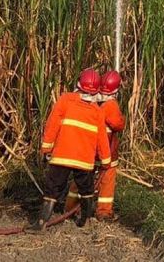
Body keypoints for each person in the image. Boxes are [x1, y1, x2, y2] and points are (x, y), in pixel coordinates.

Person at [30, 69, 111, 231]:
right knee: (86, 189)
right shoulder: (97, 110)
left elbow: (52, 125)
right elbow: (102, 138)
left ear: (78, 84)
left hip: (62, 156)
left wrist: (46, 148)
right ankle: (85, 220)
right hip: (84, 160)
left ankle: (41, 223)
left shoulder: (65, 100)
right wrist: (106, 160)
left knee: (53, 188)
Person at [65, 70, 125, 220]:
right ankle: (104, 211)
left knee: (81, 179)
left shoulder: (91, 101)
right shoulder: (110, 105)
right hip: (107, 151)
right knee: (107, 179)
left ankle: (70, 207)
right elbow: (118, 125)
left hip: (89, 149)